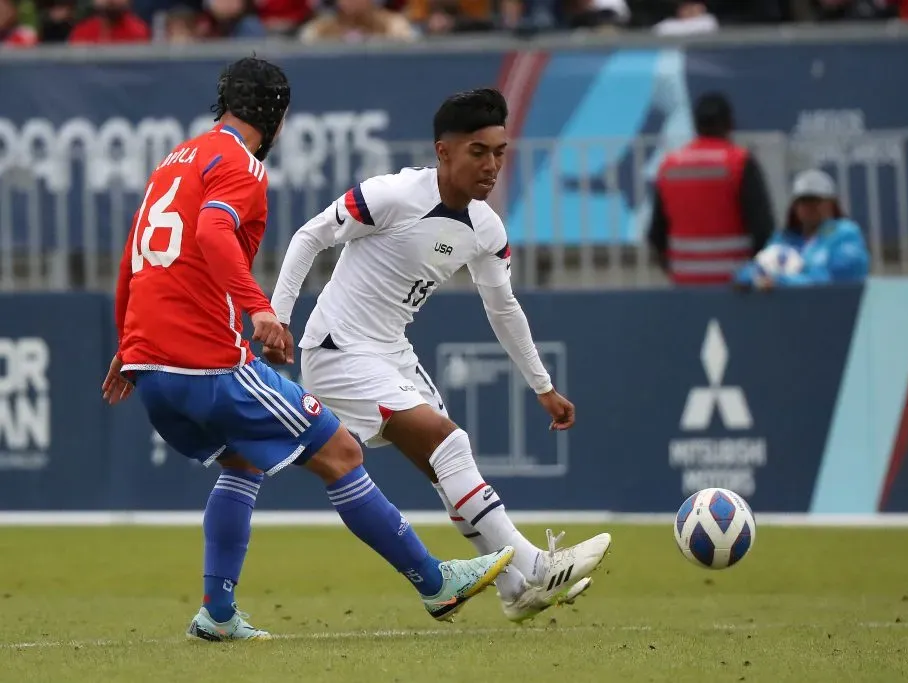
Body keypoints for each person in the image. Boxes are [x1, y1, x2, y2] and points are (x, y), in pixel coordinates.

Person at [100, 58, 514, 642]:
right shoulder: (239, 165)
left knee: (242, 461)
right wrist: (260, 307)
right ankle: (434, 582)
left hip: (151, 365)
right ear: (274, 115)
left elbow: (131, 257)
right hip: (206, 361)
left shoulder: (175, 161)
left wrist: (126, 345)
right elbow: (212, 233)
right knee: (342, 452)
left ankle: (217, 615)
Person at [267, 88, 612, 624]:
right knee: (449, 442)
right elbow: (309, 237)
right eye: (479, 151)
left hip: (391, 353)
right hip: (338, 349)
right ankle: (536, 565)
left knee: (448, 466)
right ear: (443, 151)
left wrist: (542, 385)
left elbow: (504, 308)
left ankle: (515, 590)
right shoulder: (392, 195)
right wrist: (277, 316)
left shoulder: (487, 228)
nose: (492, 165)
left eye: (500, 152)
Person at [647, 92, 775, 285]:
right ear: (729, 123)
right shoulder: (740, 163)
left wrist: (675, 269)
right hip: (736, 285)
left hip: (686, 282)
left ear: (696, 125)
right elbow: (763, 230)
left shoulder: (669, 166)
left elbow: (656, 234)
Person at [734, 169, 870, 289]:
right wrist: (751, 279)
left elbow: (830, 280)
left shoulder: (846, 234)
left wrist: (781, 281)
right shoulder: (784, 238)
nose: (809, 207)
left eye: (816, 201)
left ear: (831, 204)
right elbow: (753, 269)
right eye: (803, 201)